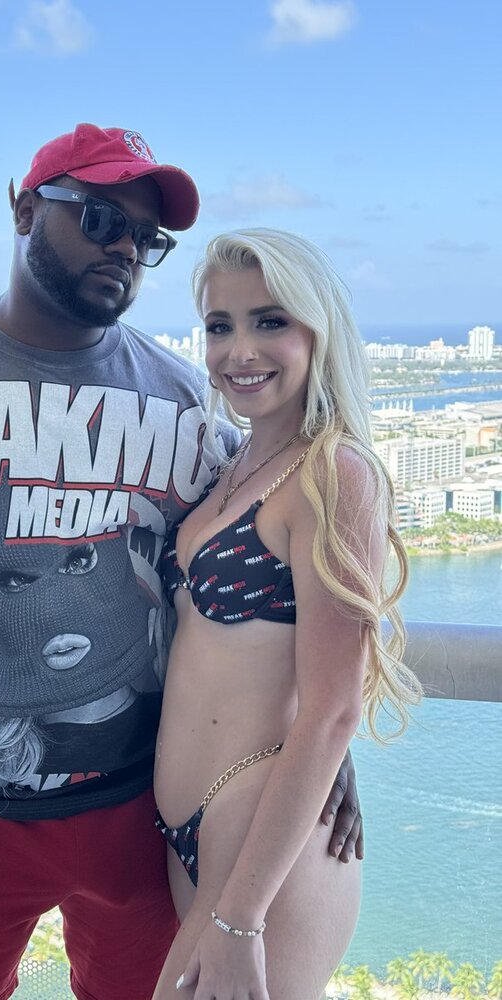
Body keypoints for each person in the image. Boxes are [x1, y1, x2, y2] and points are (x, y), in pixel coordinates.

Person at [0, 126, 363, 1000]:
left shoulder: (188, 407)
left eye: (145, 238)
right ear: (24, 209)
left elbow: (244, 594)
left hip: (141, 808)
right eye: (99, 218)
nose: (123, 248)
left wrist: (317, 743)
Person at [151, 228, 421, 1000]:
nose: (240, 350)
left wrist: (240, 920)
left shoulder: (335, 474)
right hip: (196, 832)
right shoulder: (233, 463)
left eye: (269, 321)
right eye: (220, 325)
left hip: (263, 840)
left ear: (317, 331)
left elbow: (333, 710)